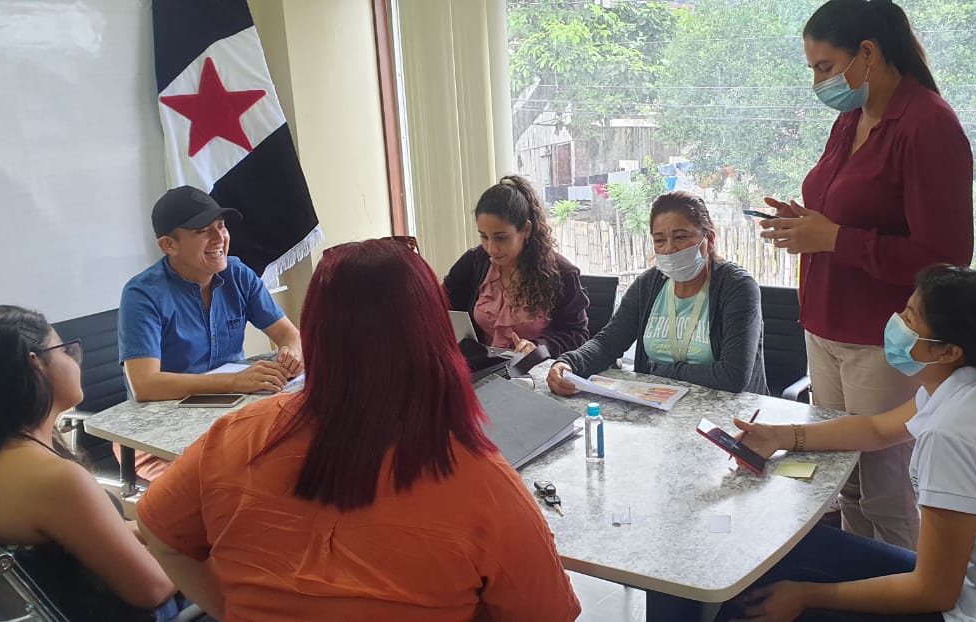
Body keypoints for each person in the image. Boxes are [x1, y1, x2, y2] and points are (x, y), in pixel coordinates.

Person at [136, 239, 581, 621]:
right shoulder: (477, 479)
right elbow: (549, 614)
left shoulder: (236, 437)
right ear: (435, 336)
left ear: (316, 333)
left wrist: (233, 607)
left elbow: (158, 532)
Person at [719, 267, 976, 622]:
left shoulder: (952, 433)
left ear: (948, 351)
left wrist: (805, 595)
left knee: (778, 591)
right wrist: (781, 436)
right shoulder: (974, 384)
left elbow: (933, 592)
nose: (895, 324)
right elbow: (876, 429)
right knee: (801, 551)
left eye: (909, 319)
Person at [756, 0, 974, 548]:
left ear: (868, 54)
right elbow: (847, 213)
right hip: (824, 327)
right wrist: (807, 225)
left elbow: (946, 258)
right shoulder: (852, 118)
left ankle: (905, 588)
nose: (817, 83)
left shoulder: (928, 124)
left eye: (825, 67)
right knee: (844, 484)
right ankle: (861, 587)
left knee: (886, 493)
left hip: (880, 339)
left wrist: (834, 239)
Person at [0, 306, 182, 621]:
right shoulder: (53, 479)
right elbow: (154, 590)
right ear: (34, 364)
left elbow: (91, 534)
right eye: (65, 350)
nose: (75, 361)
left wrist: (166, 530)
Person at [118, 186, 303, 479]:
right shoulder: (143, 294)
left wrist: (291, 352)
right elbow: (145, 384)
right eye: (203, 231)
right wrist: (234, 382)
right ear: (169, 245)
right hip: (157, 435)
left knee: (291, 457)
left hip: (228, 418)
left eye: (222, 226)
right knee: (227, 481)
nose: (220, 239)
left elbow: (289, 335)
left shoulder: (237, 274)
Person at [548, 191, 767, 395]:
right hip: (658, 402)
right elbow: (608, 342)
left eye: (680, 237)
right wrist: (569, 363)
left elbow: (733, 376)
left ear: (709, 240)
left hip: (730, 412)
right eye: (660, 241)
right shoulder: (648, 284)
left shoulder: (736, 287)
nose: (669, 249)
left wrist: (660, 371)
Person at [444, 175, 589, 357]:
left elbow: (577, 334)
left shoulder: (562, 273)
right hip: (482, 367)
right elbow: (442, 304)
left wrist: (539, 347)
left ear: (526, 230)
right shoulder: (475, 261)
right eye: (484, 236)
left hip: (535, 369)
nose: (491, 248)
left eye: (501, 238)